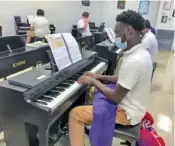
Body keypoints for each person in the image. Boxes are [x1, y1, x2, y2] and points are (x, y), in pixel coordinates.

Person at [69, 10, 153, 146]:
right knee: (91, 91)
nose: (117, 38)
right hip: (131, 102)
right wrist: (99, 76)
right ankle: (93, 124)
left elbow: (115, 97)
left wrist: (94, 81)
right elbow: (123, 78)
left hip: (128, 113)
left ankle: (88, 123)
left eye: (118, 33)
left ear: (129, 32)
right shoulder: (141, 52)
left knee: (75, 114)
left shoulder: (135, 60)